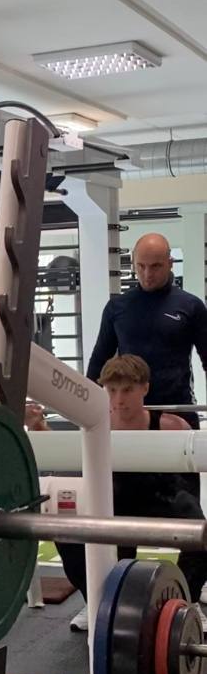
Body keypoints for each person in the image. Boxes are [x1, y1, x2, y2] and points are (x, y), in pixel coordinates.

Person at [26, 355, 207, 633]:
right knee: (67, 533)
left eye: (127, 390)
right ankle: (97, 601)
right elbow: (69, 457)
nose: (119, 399)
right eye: (111, 390)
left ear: (144, 389)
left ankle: (185, 604)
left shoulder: (171, 426)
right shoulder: (95, 426)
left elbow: (189, 483)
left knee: (201, 535)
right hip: (114, 502)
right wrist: (37, 425)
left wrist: (190, 517)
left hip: (160, 497)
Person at [87, 232, 207, 427]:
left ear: (170, 263)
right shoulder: (117, 308)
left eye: (156, 266)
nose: (147, 274)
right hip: (129, 414)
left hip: (178, 411)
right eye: (141, 266)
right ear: (133, 263)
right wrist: (86, 410)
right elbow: (98, 362)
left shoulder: (191, 306)